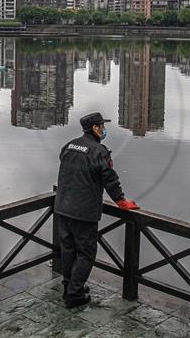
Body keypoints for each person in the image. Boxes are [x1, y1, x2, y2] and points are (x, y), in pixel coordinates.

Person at [54, 112, 139, 308]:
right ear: (95, 128)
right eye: (102, 126)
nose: (104, 129)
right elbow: (109, 178)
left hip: (62, 207)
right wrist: (121, 200)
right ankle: (74, 295)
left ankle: (69, 287)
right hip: (83, 212)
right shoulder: (99, 151)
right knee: (86, 253)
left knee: (68, 250)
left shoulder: (69, 145)